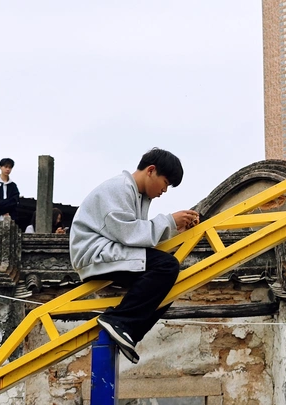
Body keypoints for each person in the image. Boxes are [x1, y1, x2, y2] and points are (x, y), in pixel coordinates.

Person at [69, 148, 199, 363]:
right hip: (95, 252)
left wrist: (176, 229)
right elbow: (129, 234)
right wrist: (170, 221)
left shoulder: (136, 195)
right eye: (165, 183)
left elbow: (137, 238)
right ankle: (119, 321)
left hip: (110, 249)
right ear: (151, 170)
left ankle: (126, 332)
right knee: (166, 266)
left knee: (173, 283)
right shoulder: (119, 188)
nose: (164, 190)